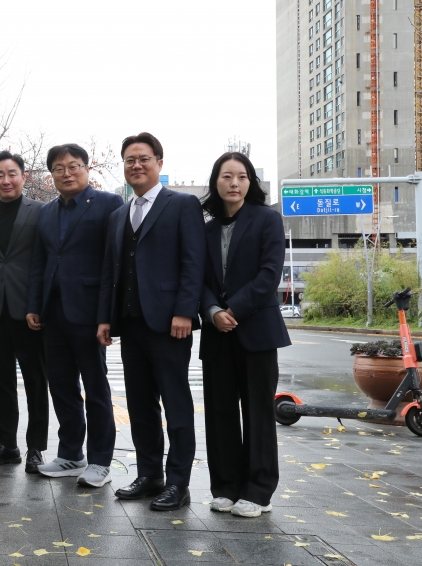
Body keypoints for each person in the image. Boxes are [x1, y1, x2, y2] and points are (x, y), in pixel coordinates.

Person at [97, 133, 205, 510]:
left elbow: (194, 261)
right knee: (140, 404)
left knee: (176, 405)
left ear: (159, 162)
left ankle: (178, 483)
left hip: (170, 322)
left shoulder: (182, 204)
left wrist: (184, 311)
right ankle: (149, 475)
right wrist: (105, 319)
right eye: (130, 160)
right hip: (130, 323)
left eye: (144, 158)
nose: (136, 165)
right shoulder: (118, 214)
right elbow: (111, 271)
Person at [199, 152, 291, 518]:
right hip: (216, 333)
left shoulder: (267, 220)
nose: (234, 183)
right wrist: (213, 312)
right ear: (216, 182)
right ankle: (225, 487)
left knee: (257, 412)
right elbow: (197, 278)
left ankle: (258, 491)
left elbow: (269, 275)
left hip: (257, 331)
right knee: (219, 412)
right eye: (226, 176)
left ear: (250, 182)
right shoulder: (205, 229)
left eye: (241, 176)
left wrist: (232, 311)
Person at [26, 144, 123, 488]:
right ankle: (70, 454)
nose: (66, 173)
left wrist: (108, 315)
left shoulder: (109, 204)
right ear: (51, 174)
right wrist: (34, 305)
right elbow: (39, 262)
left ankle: (100, 461)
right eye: (58, 168)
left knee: (96, 388)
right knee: (62, 386)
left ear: (87, 168)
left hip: (90, 312)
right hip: (53, 313)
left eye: (73, 166)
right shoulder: (47, 212)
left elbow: (115, 262)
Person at [0, 151, 49, 473]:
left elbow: (47, 259)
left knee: (35, 381)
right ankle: (7, 445)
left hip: (30, 310)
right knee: (1, 380)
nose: (6, 180)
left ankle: (36, 448)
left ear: (23, 176)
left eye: (12, 173)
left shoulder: (41, 212)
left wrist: (39, 305)